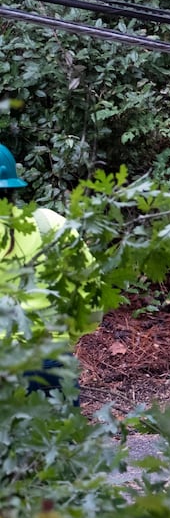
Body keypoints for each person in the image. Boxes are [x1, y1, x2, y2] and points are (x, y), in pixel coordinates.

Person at [0, 142, 84, 395]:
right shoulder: (50, 223)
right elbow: (89, 288)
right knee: (56, 434)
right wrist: (74, 334)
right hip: (51, 357)